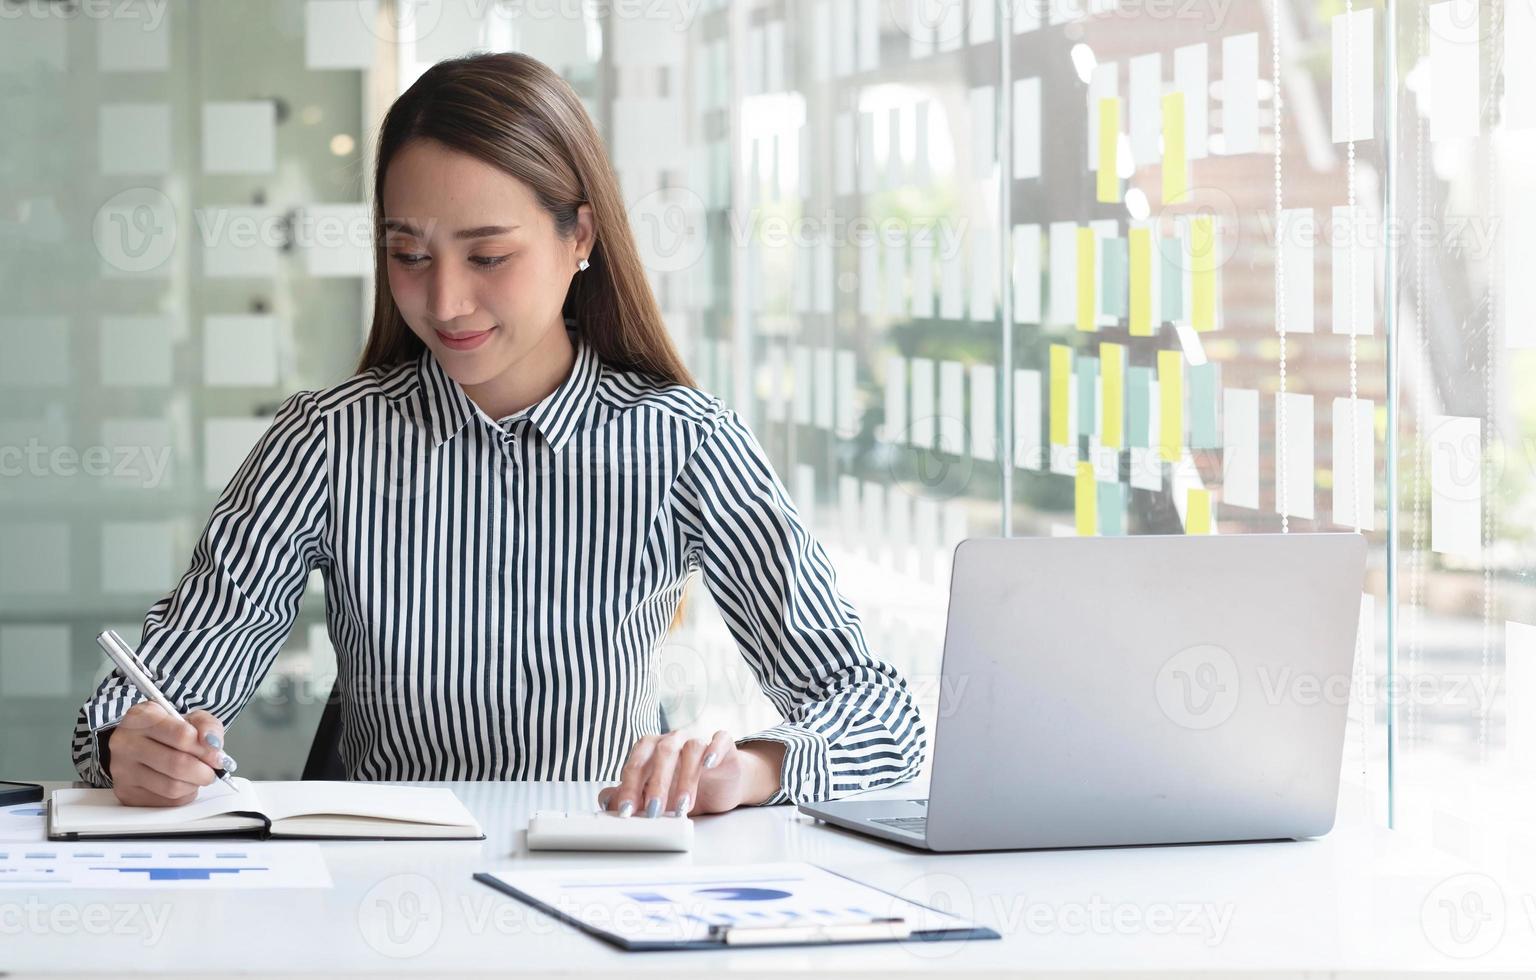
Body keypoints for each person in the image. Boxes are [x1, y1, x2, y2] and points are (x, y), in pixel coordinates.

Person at [71, 52, 926, 820]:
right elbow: (146, 702)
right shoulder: (326, 443)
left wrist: (750, 767)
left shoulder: (682, 445)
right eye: (409, 254)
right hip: (382, 903)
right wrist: (133, 746)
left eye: (487, 257)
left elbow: (877, 716)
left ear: (579, 236)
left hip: (602, 890)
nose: (443, 302)